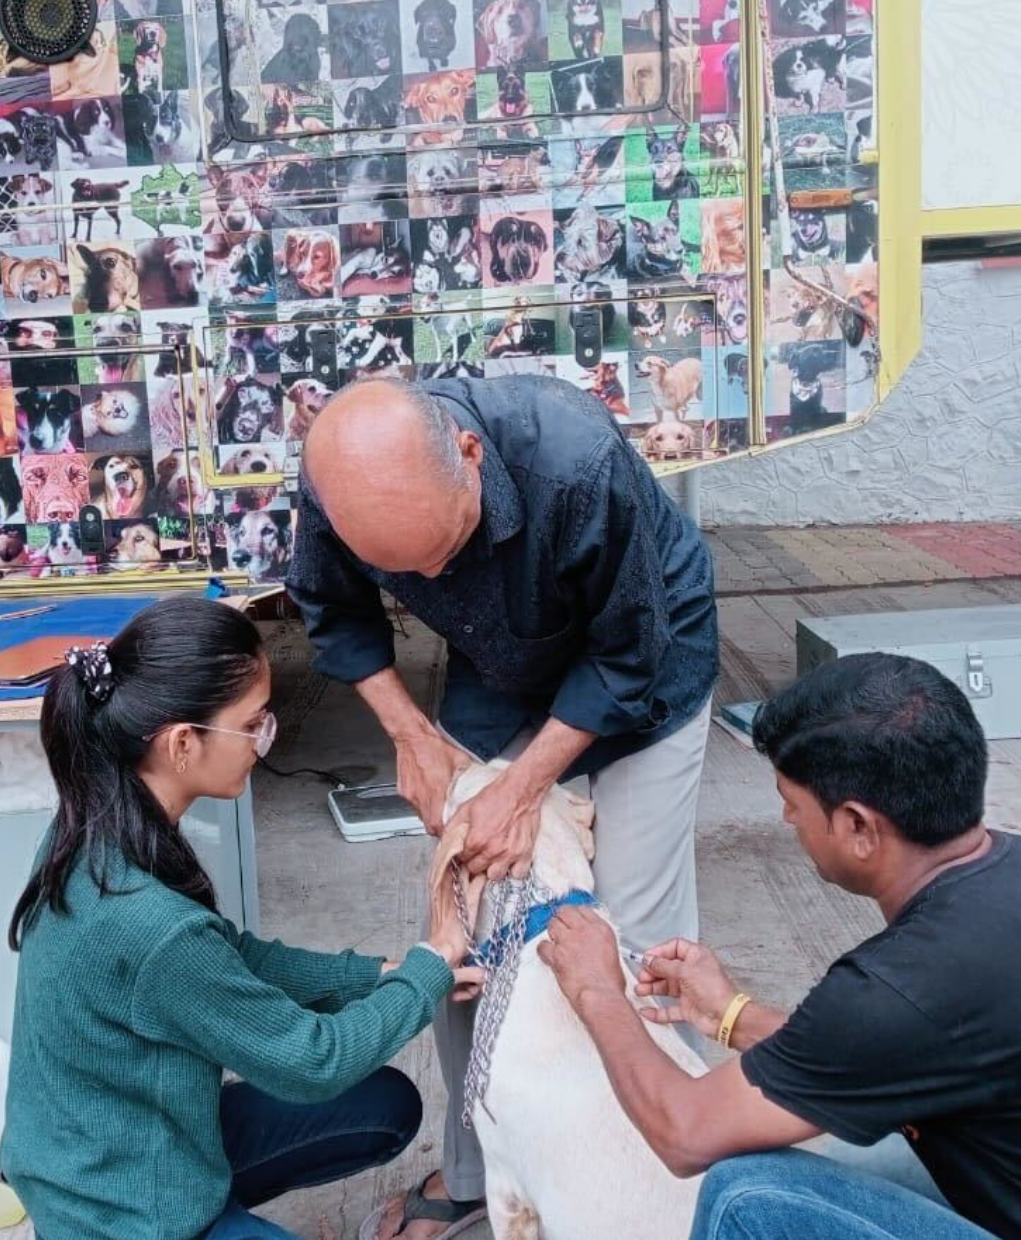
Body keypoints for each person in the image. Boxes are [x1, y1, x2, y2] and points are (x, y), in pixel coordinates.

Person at [539, 652, 1021, 1240]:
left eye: (792, 803)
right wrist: (730, 1013)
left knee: (749, 1197)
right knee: (836, 1143)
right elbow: (882, 1052)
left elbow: (684, 1132)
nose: (785, 819)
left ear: (860, 826)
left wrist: (597, 987)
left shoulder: (911, 984)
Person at [286, 374, 720, 1239]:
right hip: (497, 660)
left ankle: (687, 1161)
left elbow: (631, 653)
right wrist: (410, 733)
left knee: (623, 935)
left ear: (472, 458)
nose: (432, 578)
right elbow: (332, 614)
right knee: (461, 915)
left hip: (645, 661)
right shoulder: (338, 476)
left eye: (442, 550)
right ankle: (484, 1167)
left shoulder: (576, 459)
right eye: (404, 571)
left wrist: (525, 788)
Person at [0, 596, 485, 1240]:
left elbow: (229, 955)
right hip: (121, 1212)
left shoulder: (97, 824)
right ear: (181, 743)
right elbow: (314, 1062)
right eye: (253, 723)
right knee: (340, 1078)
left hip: (128, 1139)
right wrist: (428, 966)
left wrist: (377, 975)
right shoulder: (145, 924)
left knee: (384, 1106)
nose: (264, 740)